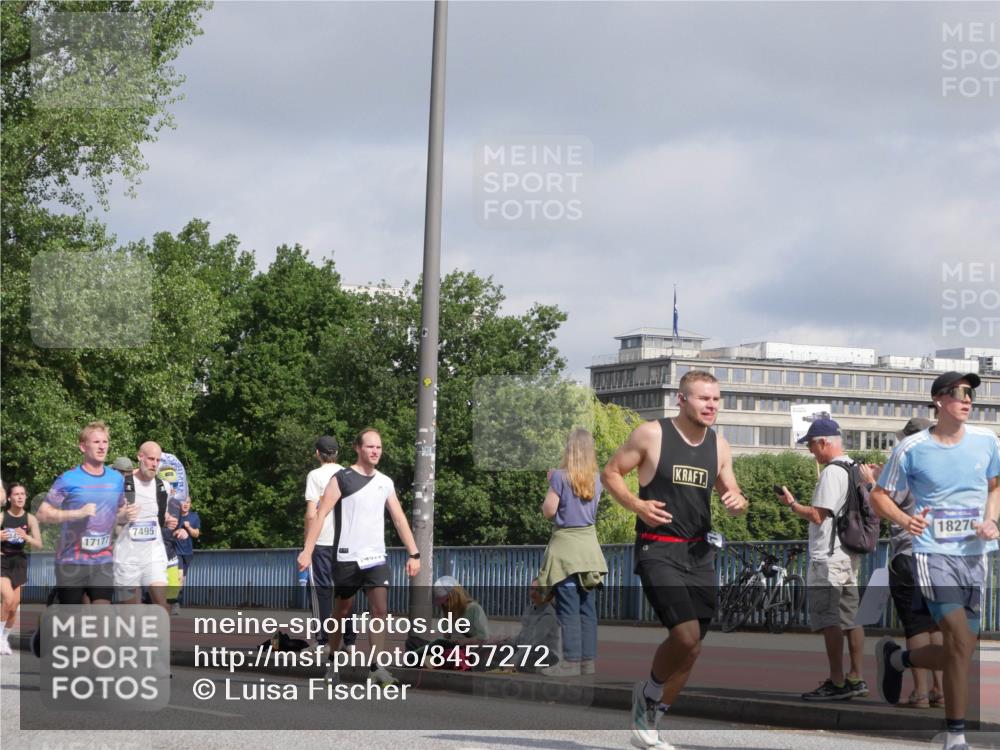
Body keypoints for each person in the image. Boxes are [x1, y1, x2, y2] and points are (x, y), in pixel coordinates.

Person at [602, 370, 748, 750]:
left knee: (694, 645)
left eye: (716, 399)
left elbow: (732, 491)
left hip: (699, 553)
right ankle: (648, 695)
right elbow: (611, 473)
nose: (712, 405)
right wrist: (637, 503)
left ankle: (653, 718)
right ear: (682, 400)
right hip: (658, 548)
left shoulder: (719, 444)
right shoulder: (652, 434)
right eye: (704, 398)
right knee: (684, 634)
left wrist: (737, 501)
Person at [870, 372, 1000, 750]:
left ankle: (899, 660)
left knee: (962, 649)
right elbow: (879, 495)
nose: (968, 399)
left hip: (975, 557)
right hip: (931, 553)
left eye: (972, 393)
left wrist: (991, 520)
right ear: (939, 401)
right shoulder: (912, 448)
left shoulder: (987, 441)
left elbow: (995, 487)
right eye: (960, 393)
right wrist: (904, 519)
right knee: (959, 637)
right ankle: (955, 736)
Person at [298, 428, 420, 687]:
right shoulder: (342, 478)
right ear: (358, 448)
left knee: (380, 610)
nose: (375, 451)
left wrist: (414, 553)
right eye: (370, 447)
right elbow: (320, 515)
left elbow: (399, 519)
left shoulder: (385, 482)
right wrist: (307, 550)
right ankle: (332, 659)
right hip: (347, 557)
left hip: (375, 557)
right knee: (341, 611)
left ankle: (376, 667)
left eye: (378, 447)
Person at [777, 417, 868, 701]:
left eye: (812, 446)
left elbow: (818, 515)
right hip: (849, 553)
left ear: (824, 442)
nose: (810, 452)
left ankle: (837, 681)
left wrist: (792, 504)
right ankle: (856, 676)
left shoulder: (832, 472)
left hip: (827, 557)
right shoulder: (855, 468)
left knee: (830, 620)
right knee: (851, 618)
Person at [877, 417, 945, 709]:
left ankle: (918, 691)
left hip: (908, 554)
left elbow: (883, 504)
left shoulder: (906, 468)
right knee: (936, 626)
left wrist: (873, 483)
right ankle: (939, 691)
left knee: (915, 627)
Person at [537, 428, 608, 677]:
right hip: (589, 549)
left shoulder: (559, 477)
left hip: (566, 550)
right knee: (587, 609)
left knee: (568, 608)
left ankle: (569, 662)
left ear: (570, 449)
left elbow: (549, 510)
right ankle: (588, 663)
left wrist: (551, 482)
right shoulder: (598, 479)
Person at [37, 421, 128, 605]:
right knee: (73, 621)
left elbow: (119, 513)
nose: (102, 446)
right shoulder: (68, 479)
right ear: (82, 447)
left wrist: (127, 514)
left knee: (102, 613)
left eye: (105, 442)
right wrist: (76, 513)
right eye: (96, 442)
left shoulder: (116, 479)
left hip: (103, 559)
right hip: (71, 561)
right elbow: (42, 513)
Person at [303, 435, 355, 649]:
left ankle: (323, 639)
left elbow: (311, 513)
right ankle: (350, 641)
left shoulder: (315, 476)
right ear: (337, 453)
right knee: (345, 591)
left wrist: (307, 544)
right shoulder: (349, 475)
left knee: (320, 591)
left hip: (322, 539)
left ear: (318, 453)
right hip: (346, 540)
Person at [113, 442, 172, 613]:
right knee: (131, 611)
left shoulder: (163, 487)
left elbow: (160, 516)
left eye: (158, 460)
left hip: (154, 555)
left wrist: (168, 520)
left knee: (162, 606)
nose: (155, 464)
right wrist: (122, 517)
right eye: (151, 459)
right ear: (140, 457)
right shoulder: (122, 484)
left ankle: (157, 639)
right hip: (126, 557)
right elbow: (105, 519)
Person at [1, 484, 43, 654]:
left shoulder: (30, 519)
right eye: (16, 494)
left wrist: (27, 537)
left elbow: (39, 544)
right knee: (8, 598)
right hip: (3, 560)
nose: (20, 497)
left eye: (23, 494)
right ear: (9, 498)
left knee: (14, 605)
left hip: (19, 562)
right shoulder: (2, 517)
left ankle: (4, 638)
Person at [170, 495, 201, 614]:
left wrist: (189, 528)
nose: (186, 504)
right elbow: (167, 532)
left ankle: (175, 600)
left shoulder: (194, 516)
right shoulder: (174, 516)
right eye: (183, 502)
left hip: (187, 552)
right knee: (178, 577)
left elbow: (196, 534)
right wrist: (175, 532)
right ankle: (175, 603)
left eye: (188, 502)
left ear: (190, 504)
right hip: (175, 551)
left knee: (181, 580)